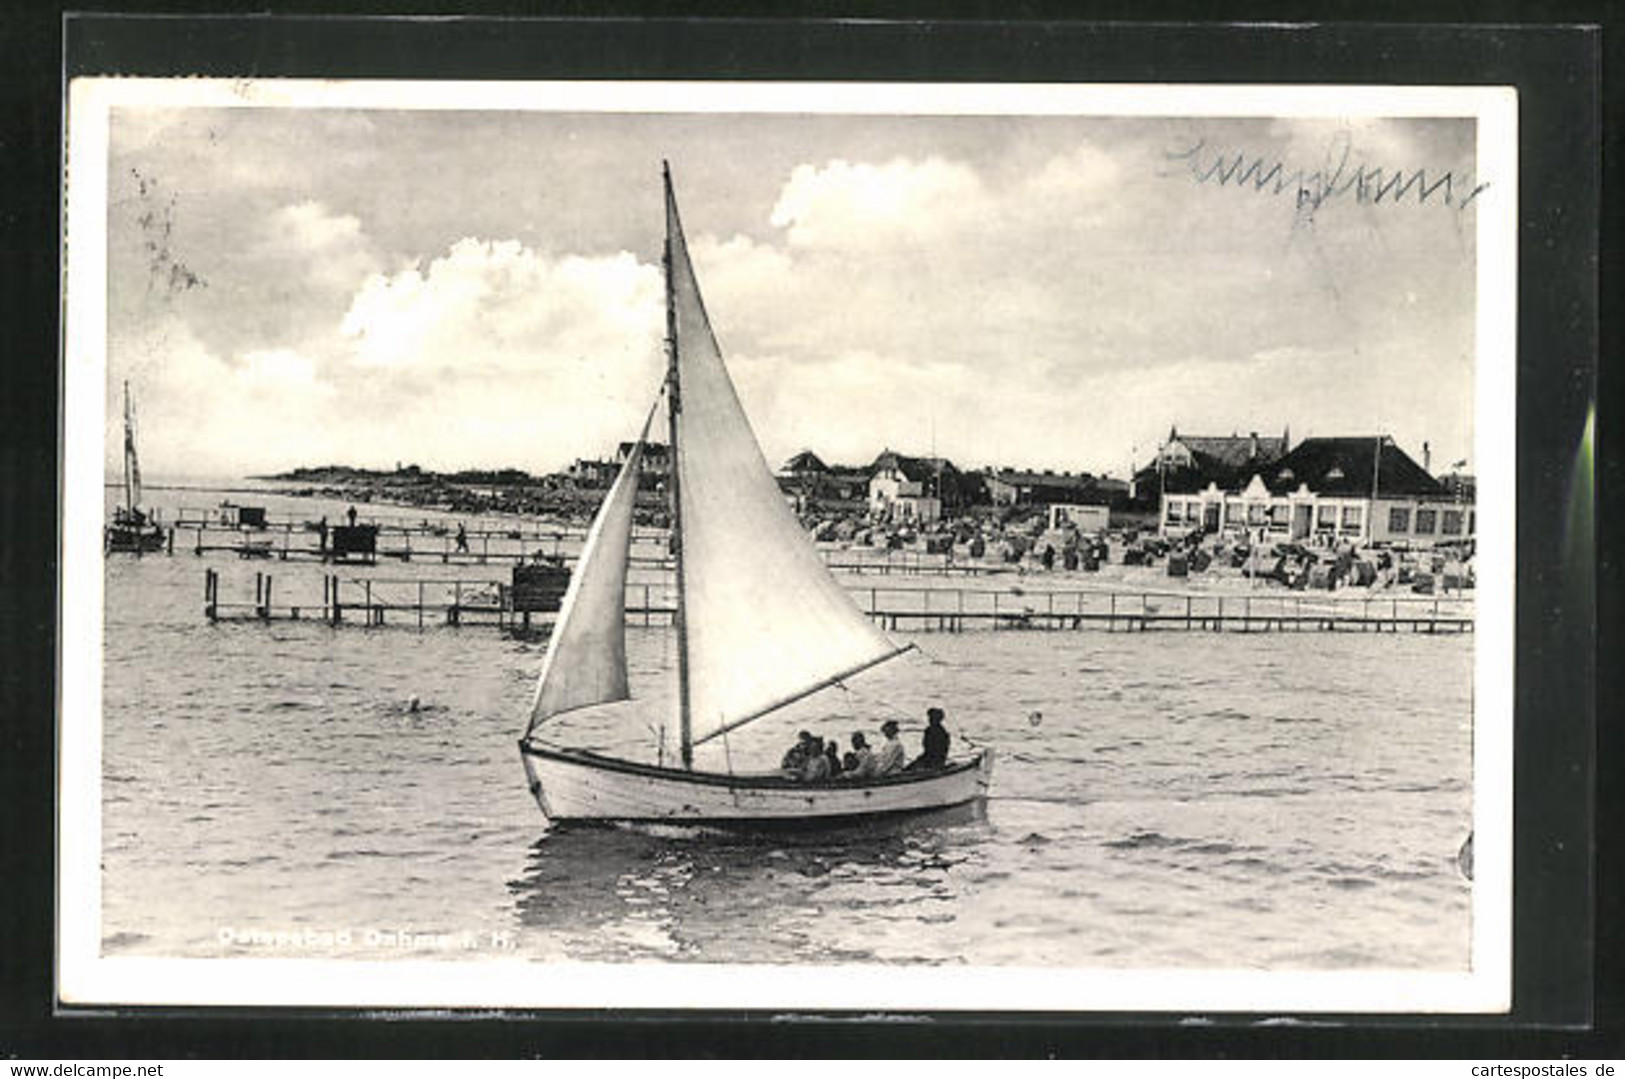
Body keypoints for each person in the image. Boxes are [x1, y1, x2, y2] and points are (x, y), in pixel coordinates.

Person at [907, 707, 951, 771]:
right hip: (929, 760)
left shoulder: (940, 733)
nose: (929, 719)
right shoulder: (930, 730)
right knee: (908, 768)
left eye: (932, 718)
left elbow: (936, 752)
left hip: (934, 762)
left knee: (910, 769)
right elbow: (927, 751)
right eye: (930, 717)